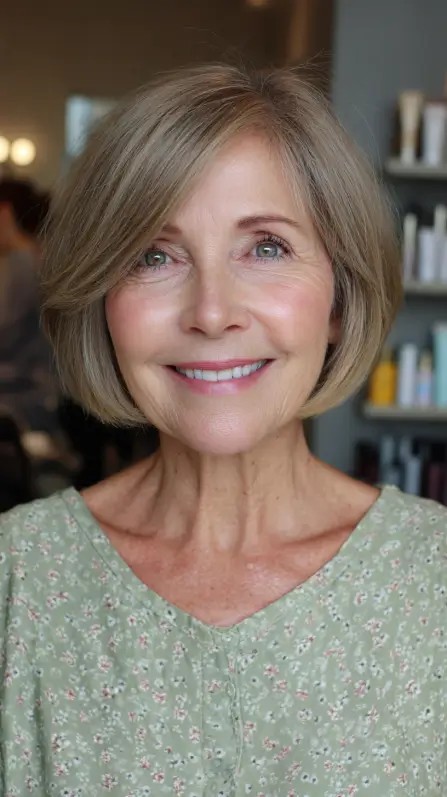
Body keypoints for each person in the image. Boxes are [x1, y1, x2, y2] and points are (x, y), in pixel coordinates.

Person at [0, 64, 446, 795]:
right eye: (155, 255)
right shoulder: (17, 578)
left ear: (338, 297)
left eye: (265, 247)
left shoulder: (432, 578)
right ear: (103, 302)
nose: (212, 313)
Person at [0, 178, 57, 434]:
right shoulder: (41, 256)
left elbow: (5, 333)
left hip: (23, 397)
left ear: (5, 213)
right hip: (39, 389)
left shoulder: (22, 264)